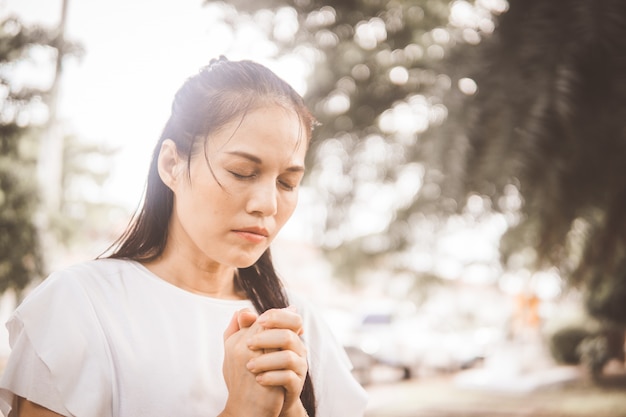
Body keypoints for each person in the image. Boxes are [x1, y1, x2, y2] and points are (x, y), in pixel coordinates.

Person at [0, 57, 368, 417]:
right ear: (172, 165)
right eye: (242, 172)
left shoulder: (299, 322)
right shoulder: (80, 306)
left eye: (287, 182)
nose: (267, 204)